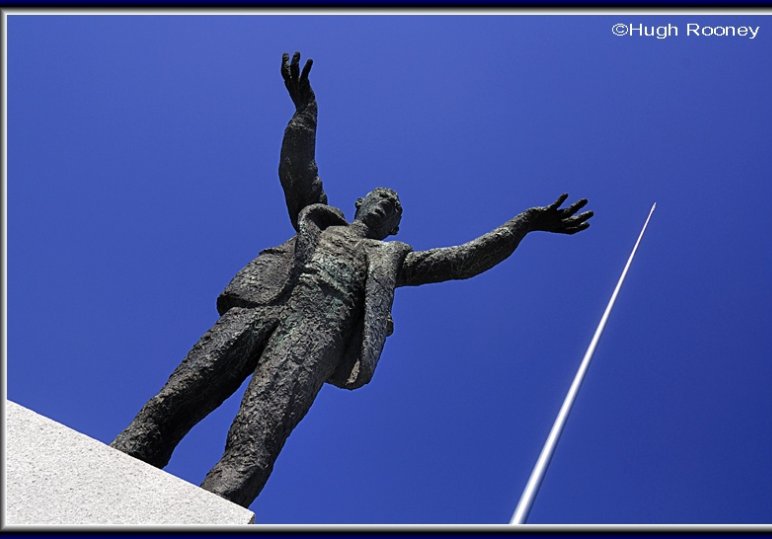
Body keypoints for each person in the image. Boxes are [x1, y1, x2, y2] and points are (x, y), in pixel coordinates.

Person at [111, 52, 593, 508]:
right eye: (380, 197)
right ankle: (104, 478)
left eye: (395, 207)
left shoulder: (392, 258)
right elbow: (297, 167)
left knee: (257, 436)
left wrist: (522, 225)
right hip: (263, 305)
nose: (386, 204)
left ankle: (208, 513)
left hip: (318, 333)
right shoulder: (318, 215)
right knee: (176, 397)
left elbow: (462, 260)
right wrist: (306, 109)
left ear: (396, 227)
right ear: (360, 201)